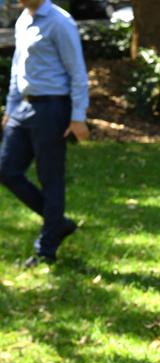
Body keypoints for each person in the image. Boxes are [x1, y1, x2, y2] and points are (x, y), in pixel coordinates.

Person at [0, 0, 89, 267]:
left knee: (50, 178)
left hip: (53, 107)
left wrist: (78, 117)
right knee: (6, 170)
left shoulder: (60, 22)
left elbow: (77, 72)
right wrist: (10, 108)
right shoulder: (23, 20)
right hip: (24, 106)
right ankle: (57, 223)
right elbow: (18, 69)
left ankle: (46, 249)